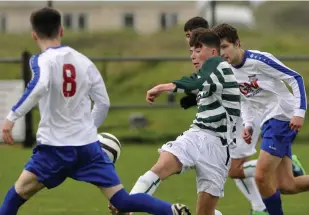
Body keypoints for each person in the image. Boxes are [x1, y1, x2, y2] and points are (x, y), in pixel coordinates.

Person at [0, 7, 191, 215]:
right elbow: (103, 103)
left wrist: (11, 118)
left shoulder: (42, 60)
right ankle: (171, 211)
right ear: (61, 31)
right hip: (87, 149)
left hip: (54, 150)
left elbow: (37, 85)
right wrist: (88, 130)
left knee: (14, 197)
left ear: (34, 35)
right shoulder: (83, 61)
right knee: (122, 200)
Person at [212, 23, 309, 215]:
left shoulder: (259, 60)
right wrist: (248, 124)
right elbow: (245, 99)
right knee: (288, 185)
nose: (222, 53)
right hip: (268, 122)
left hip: (282, 116)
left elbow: (294, 78)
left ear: (237, 43)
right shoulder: (228, 71)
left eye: (225, 47)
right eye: (218, 49)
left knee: (261, 176)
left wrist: (300, 112)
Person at [122, 28, 240, 215]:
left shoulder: (219, 65)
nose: (193, 55)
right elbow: (201, 84)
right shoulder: (211, 75)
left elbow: (196, 81)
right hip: (197, 135)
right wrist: (194, 98)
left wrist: (164, 87)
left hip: (218, 148)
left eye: (198, 49)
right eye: (191, 51)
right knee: (161, 167)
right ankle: (126, 206)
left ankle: (126, 204)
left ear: (213, 52)